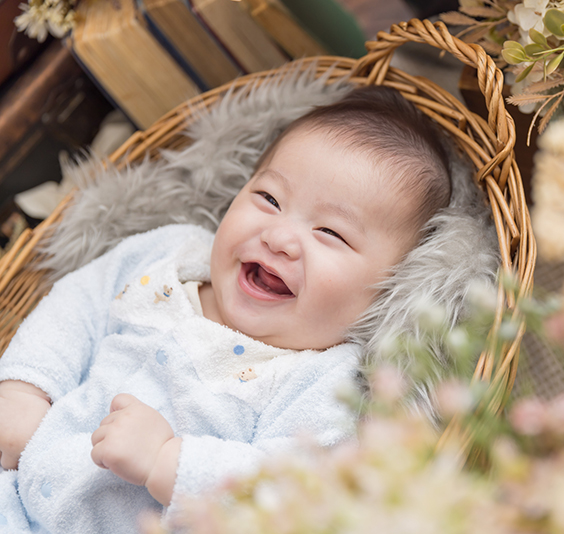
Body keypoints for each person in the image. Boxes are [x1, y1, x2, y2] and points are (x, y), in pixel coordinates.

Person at [0, 86, 451, 533]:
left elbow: (296, 495)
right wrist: (27, 387)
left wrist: (169, 462)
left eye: (330, 233)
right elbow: (78, 304)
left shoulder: (324, 380)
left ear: (386, 287)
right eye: (270, 199)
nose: (279, 237)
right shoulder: (171, 255)